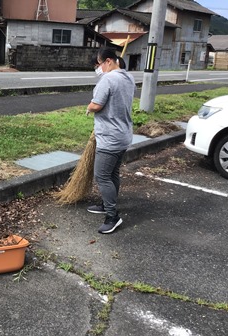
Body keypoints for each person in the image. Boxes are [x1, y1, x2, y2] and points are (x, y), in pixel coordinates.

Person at [86, 47, 136, 234]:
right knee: (113, 173)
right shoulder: (128, 77)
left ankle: (112, 216)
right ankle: (107, 204)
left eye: (98, 64)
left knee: (102, 175)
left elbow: (97, 104)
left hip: (110, 137)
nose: (98, 69)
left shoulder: (107, 79)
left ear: (108, 61)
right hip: (124, 134)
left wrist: (89, 107)